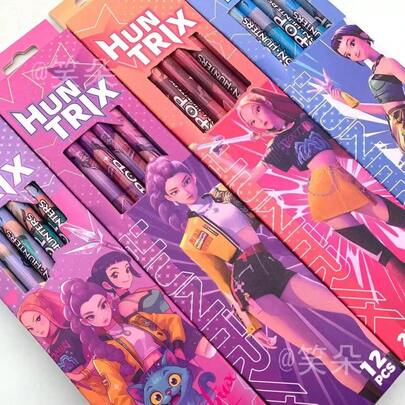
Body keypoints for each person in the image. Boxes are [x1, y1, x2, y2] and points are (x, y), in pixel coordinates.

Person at [145, 156, 386, 402]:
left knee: (351, 309)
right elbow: (223, 283)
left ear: (194, 177)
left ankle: (397, 357)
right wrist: (251, 326)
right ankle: (380, 397)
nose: (185, 192)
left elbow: (259, 192)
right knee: (323, 352)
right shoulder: (190, 239)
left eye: (186, 182)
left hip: (272, 267)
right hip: (249, 289)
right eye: (175, 191)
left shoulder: (223, 192)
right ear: (169, 199)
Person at [231, 87, 404, 278]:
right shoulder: (275, 146)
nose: (259, 120)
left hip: (339, 181)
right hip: (322, 194)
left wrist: (333, 94)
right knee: (386, 260)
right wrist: (219, 158)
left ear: (266, 103)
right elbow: (252, 176)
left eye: (257, 110)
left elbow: (329, 116)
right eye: (253, 122)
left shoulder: (303, 117)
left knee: (397, 221)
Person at [61, 278, 187, 404]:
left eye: (102, 305)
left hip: (175, 366)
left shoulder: (136, 320)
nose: (102, 316)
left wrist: (178, 346)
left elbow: (172, 320)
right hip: (154, 390)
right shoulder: (103, 355)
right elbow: (117, 393)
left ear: (109, 301)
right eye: (91, 316)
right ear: (85, 321)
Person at [18, 289, 108, 404]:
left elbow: (99, 349)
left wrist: (82, 374)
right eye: (30, 329)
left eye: (38, 319)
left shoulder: (72, 329)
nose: (37, 329)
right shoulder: (49, 351)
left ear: (47, 311)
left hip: (101, 380)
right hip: (83, 394)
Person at [324, 24, 405, 151]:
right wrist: (347, 102)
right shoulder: (373, 75)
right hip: (395, 124)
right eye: (348, 55)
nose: (354, 53)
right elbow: (384, 109)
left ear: (363, 35)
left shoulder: (388, 63)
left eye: (352, 44)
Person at [88, 251, 170, 319]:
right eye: (115, 275)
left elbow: (165, 288)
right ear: (107, 285)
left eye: (127, 269)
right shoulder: (124, 306)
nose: (126, 276)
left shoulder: (139, 291)